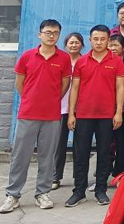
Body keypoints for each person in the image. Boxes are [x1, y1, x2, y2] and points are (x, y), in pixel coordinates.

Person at [0, 19, 72, 214]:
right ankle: (13, 194)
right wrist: (31, 98)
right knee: (20, 155)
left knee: (47, 156)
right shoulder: (27, 56)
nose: (51, 36)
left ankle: (43, 193)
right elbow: (20, 83)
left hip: (51, 115)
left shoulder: (64, 58)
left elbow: (64, 85)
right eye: (48, 32)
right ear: (40, 34)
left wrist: (51, 100)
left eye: (55, 33)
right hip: (28, 114)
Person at [66, 25, 124, 208]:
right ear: (90, 40)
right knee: (81, 154)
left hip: (107, 115)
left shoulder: (116, 61)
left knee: (104, 153)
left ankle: (101, 190)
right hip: (84, 114)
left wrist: (118, 112)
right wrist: (71, 114)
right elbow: (74, 88)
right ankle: (79, 191)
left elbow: (120, 88)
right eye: (96, 39)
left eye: (103, 39)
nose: (99, 42)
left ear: (108, 40)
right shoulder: (82, 61)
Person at [53, 32, 82, 190]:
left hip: (81, 109)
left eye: (77, 42)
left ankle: (79, 177)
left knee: (80, 145)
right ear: (66, 45)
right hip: (61, 107)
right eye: (71, 42)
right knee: (59, 144)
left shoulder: (85, 61)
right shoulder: (61, 61)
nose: (74, 45)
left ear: (82, 45)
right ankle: (55, 176)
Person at [107, 35, 124, 179]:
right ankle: (105, 170)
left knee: (122, 142)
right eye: (110, 45)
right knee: (106, 142)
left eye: (116, 45)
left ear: (123, 47)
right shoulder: (104, 61)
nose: (113, 48)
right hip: (106, 108)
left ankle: (119, 173)